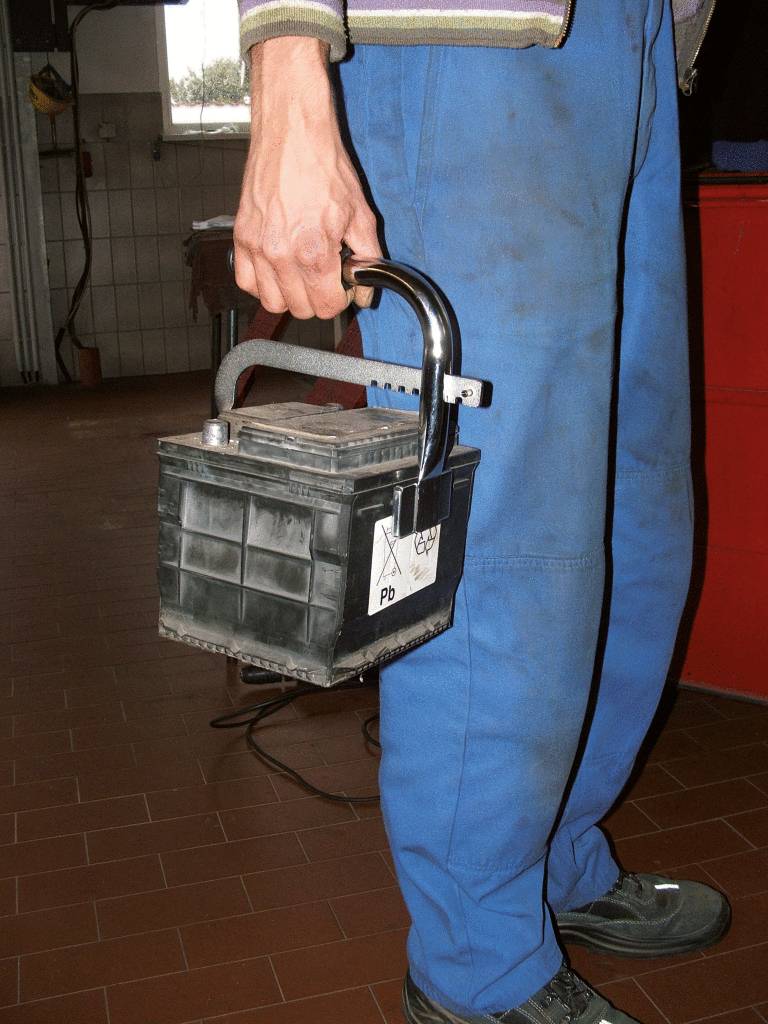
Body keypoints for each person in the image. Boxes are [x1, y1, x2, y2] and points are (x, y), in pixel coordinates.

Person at [233, 3, 731, 1022]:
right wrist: (285, 54)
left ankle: (552, 861)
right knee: (496, 532)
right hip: (457, 36)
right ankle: (477, 965)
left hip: (624, 38)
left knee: (634, 508)